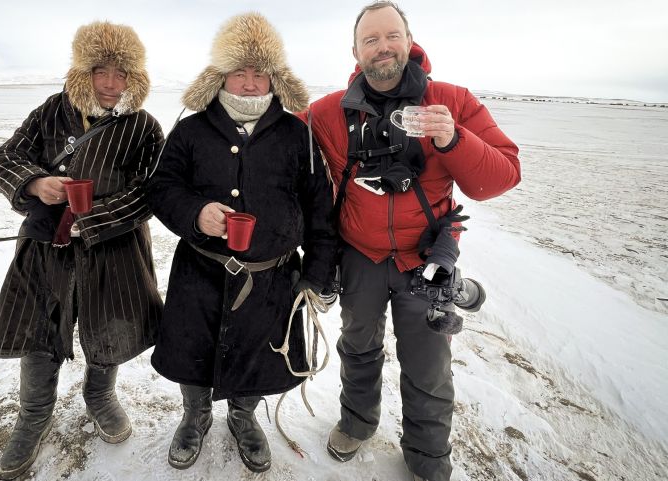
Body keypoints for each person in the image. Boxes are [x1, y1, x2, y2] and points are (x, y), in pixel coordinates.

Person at [298, 2, 521, 480]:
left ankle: (427, 455)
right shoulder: (329, 112)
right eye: (371, 40)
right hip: (359, 255)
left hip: (426, 259)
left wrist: (453, 138)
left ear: (409, 40)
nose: (383, 47)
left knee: (427, 364)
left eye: (391, 36)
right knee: (358, 346)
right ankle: (357, 423)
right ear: (356, 52)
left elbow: (501, 176)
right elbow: (272, 142)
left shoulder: (451, 100)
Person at [145, 12, 337, 474]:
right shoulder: (190, 130)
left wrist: (317, 274)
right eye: (239, 72)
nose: (250, 83)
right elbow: (162, 188)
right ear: (221, 76)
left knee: (258, 352)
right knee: (193, 350)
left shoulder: (299, 134)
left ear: (274, 77)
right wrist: (196, 213)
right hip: (200, 272)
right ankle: (194, 416)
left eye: (259, 72)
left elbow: (320, 212)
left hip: (272, 279)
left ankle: (243, 417)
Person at [0, 21, 164, 480]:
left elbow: (153, 192)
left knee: (109, 328)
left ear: (135, 79)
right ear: (82, 72)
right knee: (38, 331)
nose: (110, 83)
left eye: (121, 73)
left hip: (114, 249)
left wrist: (94, 219)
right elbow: (4, 158)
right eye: (100, 70)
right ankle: (33, 416)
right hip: (46, 246)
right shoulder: (51, 112)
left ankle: (100, 396)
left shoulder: (143, 127)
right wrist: (35, 182)